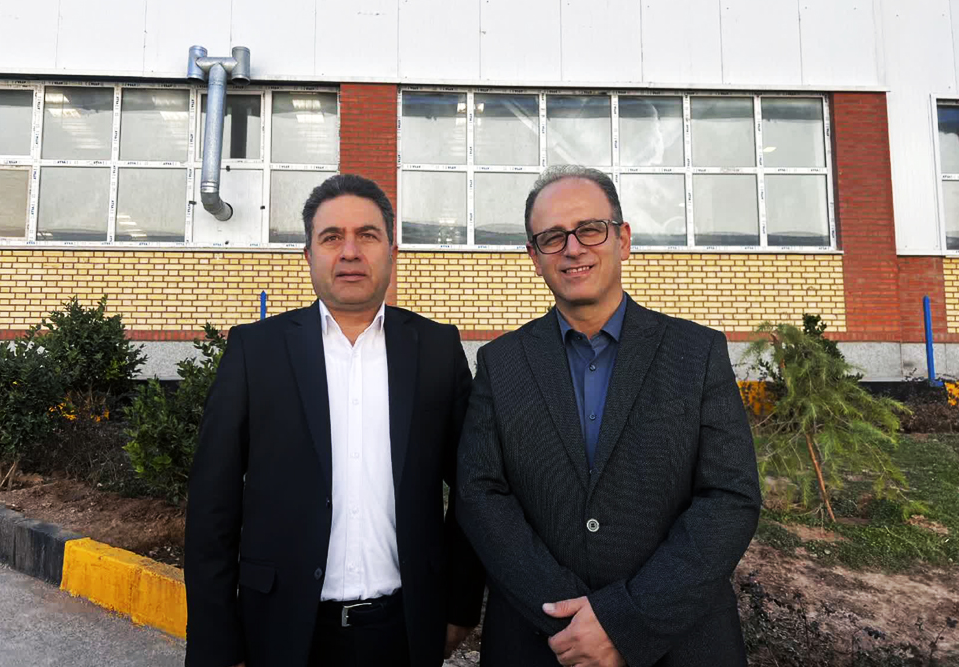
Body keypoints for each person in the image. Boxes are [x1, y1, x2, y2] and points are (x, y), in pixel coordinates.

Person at [456, 165, 761, 667]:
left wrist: (624, 621)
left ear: (623, 240)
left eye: (590, 229)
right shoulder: (500, 363)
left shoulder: (696, 352)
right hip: (541, 642)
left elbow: (730, 497)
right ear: (534, 257)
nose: (573, 248)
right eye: (552, 237)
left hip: (679, 641)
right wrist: (572, 621)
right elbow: (479, 495)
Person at [185, 174, 484, 667]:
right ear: (308, 255)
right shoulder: (255, 352)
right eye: (331, 238)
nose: (350, 252)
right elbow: (212, 507)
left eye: (367, 235)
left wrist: (460, 606)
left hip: (406, 631)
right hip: (280, 634)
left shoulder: (435, 350)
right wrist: (218, 645)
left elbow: (474, 489)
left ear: (392, 251)